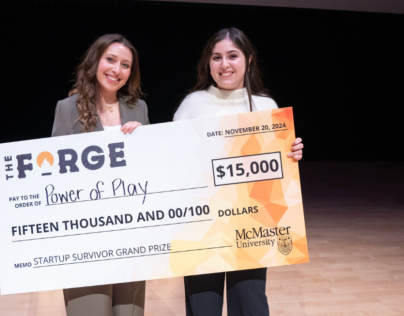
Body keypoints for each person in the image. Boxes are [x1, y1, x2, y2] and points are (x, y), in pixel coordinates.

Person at [173, 27, 304, 316]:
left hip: (252, 224)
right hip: (202, 227)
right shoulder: (192, 106)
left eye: (232, 56)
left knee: (250, 304)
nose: (224, 64)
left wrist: (291, 153)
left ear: (248, 60)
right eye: (216, 57)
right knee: (203, 306)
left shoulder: (266, 107)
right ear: (208, 63)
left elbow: (276, 175)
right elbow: (175, 165)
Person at [52, 34, 149, 316]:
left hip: (130, 232)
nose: (116, 70)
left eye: (125, 65)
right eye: (110, 60)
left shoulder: (138, 108)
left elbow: (150, 170)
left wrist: (143, 141)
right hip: (85, 234)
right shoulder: (67, 108)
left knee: (128, 311)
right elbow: (55, 177)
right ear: (95, 62)